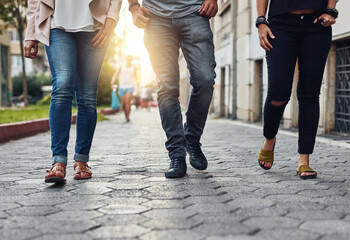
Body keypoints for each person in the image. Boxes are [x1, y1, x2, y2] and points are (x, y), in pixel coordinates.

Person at [24, 0, 122, 183]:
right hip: (56, 22)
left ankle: (81, 161)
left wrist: (112, 20)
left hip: (95, 24)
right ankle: (58, 161)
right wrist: (31, 33)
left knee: (87, 95)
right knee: (62, 85)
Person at [128, 0, 217, 178]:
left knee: (205, 79)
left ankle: (191, 138)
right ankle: (176, 154)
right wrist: (133, 7)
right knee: (167, 87)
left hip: (195, 12)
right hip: (155, 17)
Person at [256, 0, 338, 179]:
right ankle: (269, 138)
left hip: (317, 25)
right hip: (280, 25)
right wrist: (261, 21)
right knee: (278, 94)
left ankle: (304, 160)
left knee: (309, 94)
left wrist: (331, 9)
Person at [111, 55, 137, 122]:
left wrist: (137, 84)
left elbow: (135, 77)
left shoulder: (133, 67)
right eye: (127, 59)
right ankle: (126, 115)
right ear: (126, 60)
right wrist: (112, 82)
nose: (128, 61)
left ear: (131, 60)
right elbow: (116, 74)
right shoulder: (121, 66)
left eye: (130, 59)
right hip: (122, 87)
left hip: (130, 86)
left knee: (128, 101)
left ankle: (128, 117)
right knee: (123, 103)